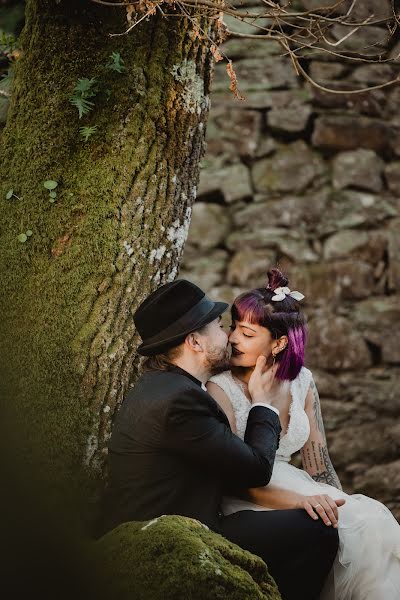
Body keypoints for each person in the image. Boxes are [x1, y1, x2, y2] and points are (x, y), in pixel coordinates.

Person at [102, 279, 339, 600]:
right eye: (217, 325)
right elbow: (255, 471)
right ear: (195, 342)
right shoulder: (181, 402)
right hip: (174, 532)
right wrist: (261, 402)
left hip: (186, 516)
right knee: (317, 533)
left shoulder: (167, 387)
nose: (227, 335)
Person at [207, 267, 400, 599]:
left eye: (248, 334)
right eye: (234, 327)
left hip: (297, 484)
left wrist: (340, 501)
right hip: (249, 497)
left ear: (280, 342)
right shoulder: (219, 386)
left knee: (369, 524)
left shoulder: (301, 381)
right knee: (354, 526)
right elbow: (234, 476)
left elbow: (318, 462)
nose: (234, 339)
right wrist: (304, 503)